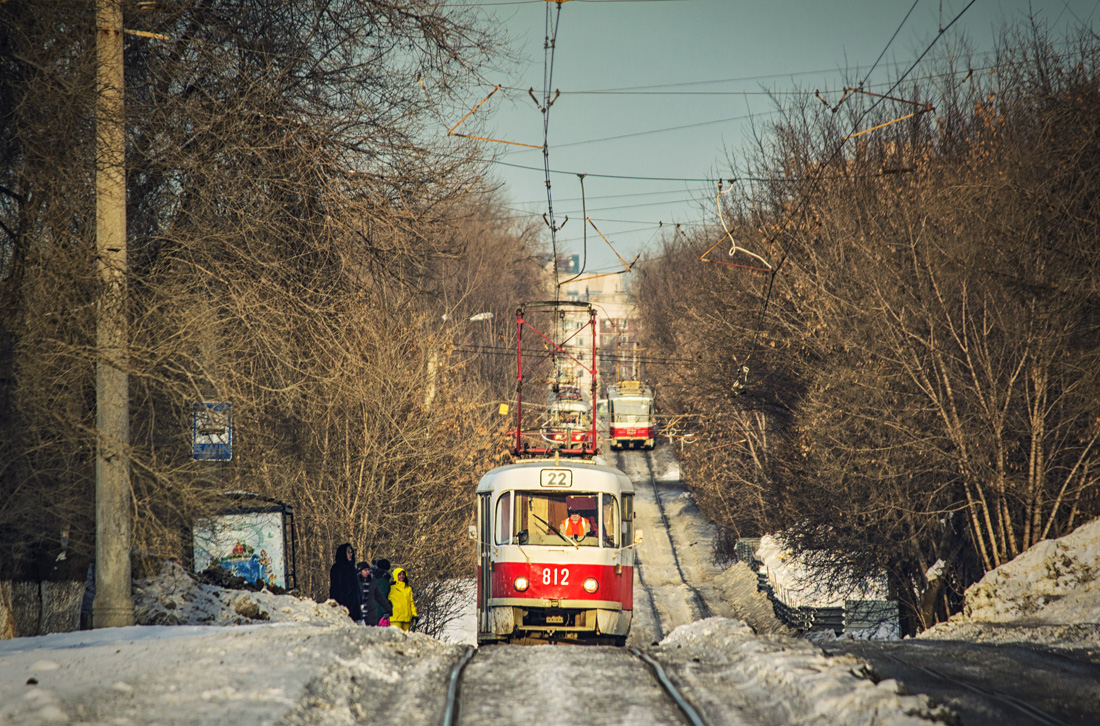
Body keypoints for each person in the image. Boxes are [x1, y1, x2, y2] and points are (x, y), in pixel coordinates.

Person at [329, 543, 362, 623]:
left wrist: (360, 600)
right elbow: (336, 589)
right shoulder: (337, 568)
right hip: (344, 607)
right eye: (348, 552)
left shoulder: (352, 568)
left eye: (351, 552)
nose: (350, 554)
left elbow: (356, 587)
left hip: (355, 607)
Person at [358, 560, 391, 626]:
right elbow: (382, 596)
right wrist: (386, 611)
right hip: (378, 610)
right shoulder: (384, 581)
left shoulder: (372, 578)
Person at [387, 567, 418, 632]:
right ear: (396, 575)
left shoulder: (408, 588)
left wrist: (414, 615)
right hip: (395, 618)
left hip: (407, 619)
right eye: (399, 574)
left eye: (403, 574)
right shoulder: (391, 587)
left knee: (405, 639)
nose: (401, 576)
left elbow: (411, 602)